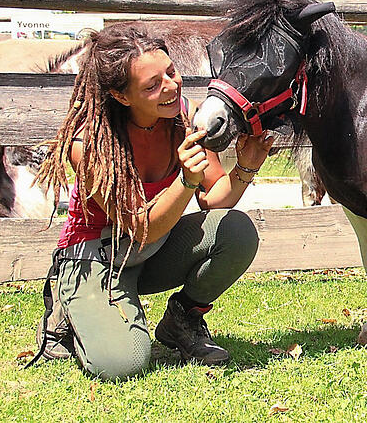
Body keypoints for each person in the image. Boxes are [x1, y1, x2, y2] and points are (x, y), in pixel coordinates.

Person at [31, 23, 274, 380]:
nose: (171, 86)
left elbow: (216, 199)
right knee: (122, 364)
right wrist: (186, 180)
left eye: (171, 72)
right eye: (152, 85)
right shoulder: (90, 142)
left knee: (235, 231)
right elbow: (140, 228)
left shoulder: (184, 116)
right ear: (122, 96)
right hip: (98, 256)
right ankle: (67, 313)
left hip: (152, 250)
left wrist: (246, 167)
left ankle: (182, 319)